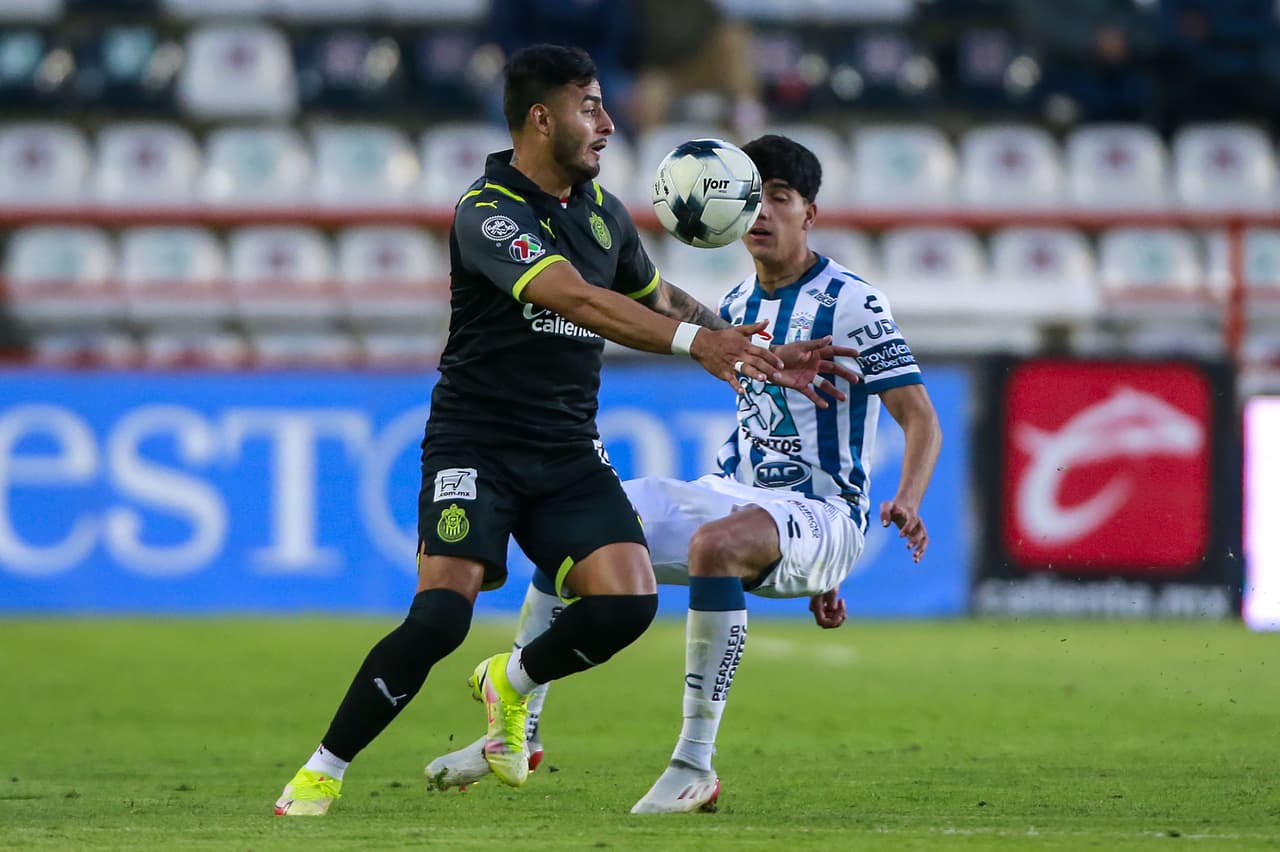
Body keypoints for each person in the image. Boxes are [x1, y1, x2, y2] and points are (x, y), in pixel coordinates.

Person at [273, 47, 836, 816]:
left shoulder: (601, 214)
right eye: (590, 107)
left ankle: (507, 683)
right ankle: (321, 771)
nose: (607, 124)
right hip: (478, 445)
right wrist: (698, 347)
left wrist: (746, 342)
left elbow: (654, 295)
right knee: (441, 615)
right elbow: (572, 297)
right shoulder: (489, 211)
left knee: (628, 603)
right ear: (542, 117)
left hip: (567, 450)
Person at [424, 135, 944, 814]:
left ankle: (692, 763)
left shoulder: (853, 302)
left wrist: (904, 500)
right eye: (753, 198)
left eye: (779, 200)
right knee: (578, 526)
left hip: (822, 514)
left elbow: (921, 417)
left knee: (714, 549)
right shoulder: (732, 306)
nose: (762, 214)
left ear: (809, 214)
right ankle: (517, 734)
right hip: (737, 495)